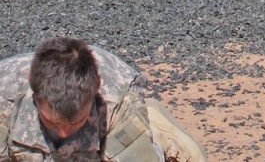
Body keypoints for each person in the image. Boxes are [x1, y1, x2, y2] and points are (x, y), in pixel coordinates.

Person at [0, 37, 206, 161]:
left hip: (107, 137)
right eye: (52, 121)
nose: (63, 133)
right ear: (31, 85)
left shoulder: (119, 100)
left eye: (75, 123)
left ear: (96, 86)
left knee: (190, 155)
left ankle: (153, 123)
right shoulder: (4, 98)